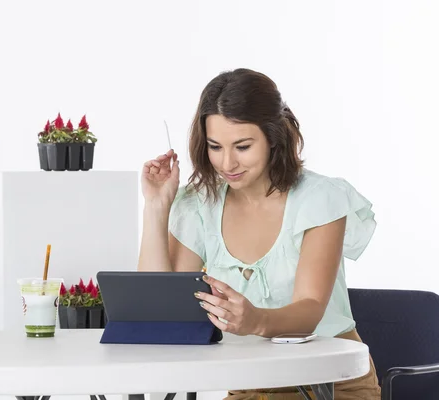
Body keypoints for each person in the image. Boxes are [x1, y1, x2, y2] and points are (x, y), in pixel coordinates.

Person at [138, 68, 381, 399]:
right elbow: (161, 310)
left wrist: (254, 320)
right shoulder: (198, 204)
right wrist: (156, 208)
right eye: (214, 146)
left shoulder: (320, 199)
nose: (227, 163)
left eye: (242, 146)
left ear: (273, 137)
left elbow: (309, 310)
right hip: (251, 384)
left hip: (330, 383)